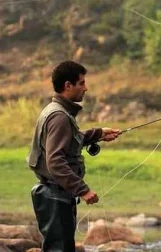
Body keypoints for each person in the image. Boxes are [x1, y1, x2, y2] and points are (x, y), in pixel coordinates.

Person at [27, 60, 121, 252]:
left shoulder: (55, 111)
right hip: (55, 196)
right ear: (68, 86)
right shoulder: (59, 117)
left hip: (55, 194)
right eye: (82, 83)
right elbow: (55, 161)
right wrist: (83, 190)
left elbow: (71, 140)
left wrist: (99, 133)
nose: (86, 88)